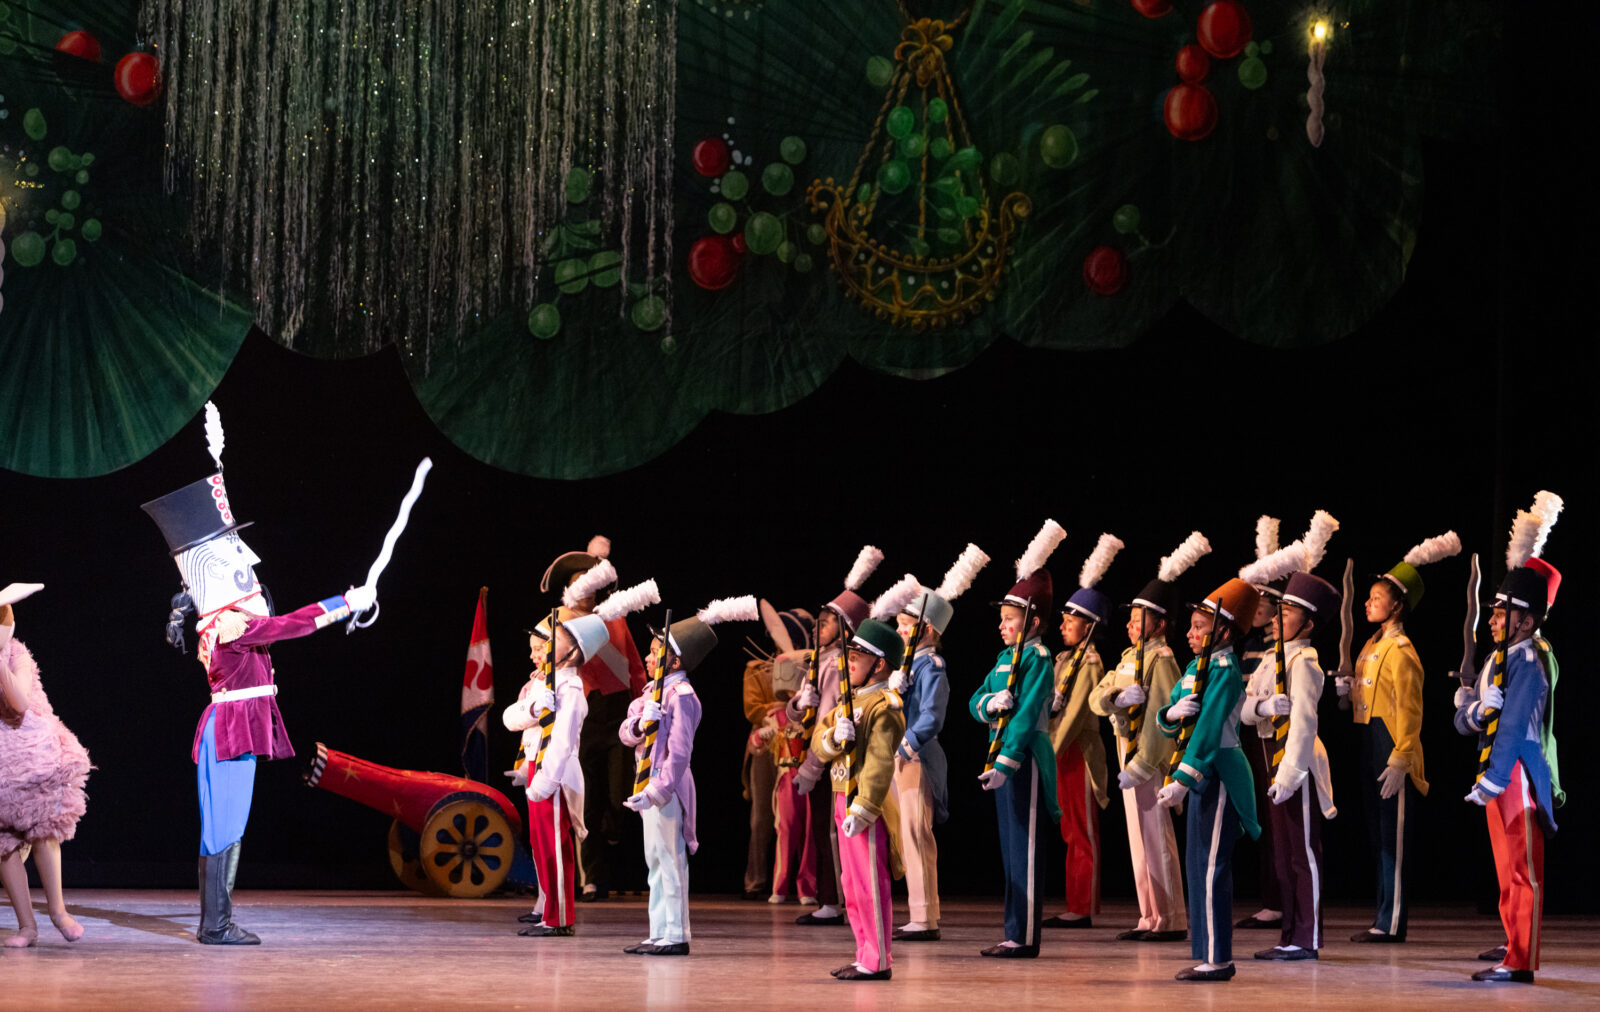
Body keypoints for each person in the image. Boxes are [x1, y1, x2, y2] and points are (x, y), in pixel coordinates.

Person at [141, 416, 377, 945]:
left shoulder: (223, 623)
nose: (249, 565)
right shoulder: (231, 623)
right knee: (225, 826)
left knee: (219, 827)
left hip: (224, 726)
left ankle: (215, 921)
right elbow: (290, 625)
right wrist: (346, 604)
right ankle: (217, 925)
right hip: (233, 729)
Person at [1455, 498, 1563, 985]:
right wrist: (1474, 708)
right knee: (1506, 869)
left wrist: (1495, 778)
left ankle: (1521, 960)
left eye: (1503, 612)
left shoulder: (1530, 659)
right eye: (1494, 611)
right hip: (1493, 769)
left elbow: (1518, 726)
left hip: (1515, 772)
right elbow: (1464, 721)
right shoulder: (1499, 660)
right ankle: (1513, 943)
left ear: (1527, 618)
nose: (1493, 619)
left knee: (1523, 871)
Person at [1090, 531, 1211, 943]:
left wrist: (1142, 765)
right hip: (1126, 751)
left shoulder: (1162, 661)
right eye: (1130, 618)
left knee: (1157, 839)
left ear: (1159, 623)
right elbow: (1094, 698)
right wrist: (1115, 696)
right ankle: (1149, 915)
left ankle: (1171, 916)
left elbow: (1165, 723)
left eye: (1139, 618)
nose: (1130, 624)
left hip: (1148, 759)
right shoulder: (1127, 659)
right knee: (1137, 841)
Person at [1344, 532, 1458, 943]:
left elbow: (1411, 712)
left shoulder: (1403, 650)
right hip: (1367, 744)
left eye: (1377, 597)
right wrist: (1347, 691)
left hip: (1390, 748)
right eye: (1370, 596)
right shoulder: (1369, 647)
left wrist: (1401, 758)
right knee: (1377, 837)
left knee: (1393, 839)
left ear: (1397, 605)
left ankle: (1391, 923)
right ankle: (1381, 916)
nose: (1369, 602)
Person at [1157, 577, 1263, 982]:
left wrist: (1183, 777)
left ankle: (1219, 957)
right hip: (1199, 770)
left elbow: (1209, 727)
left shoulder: (1225, 669)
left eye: (1200, 626)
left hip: (1217, 771)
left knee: (1214, 865)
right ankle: (1206, 950)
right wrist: (1168, 715)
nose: (1190, 632)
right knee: (1197, 863)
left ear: (1223, 630)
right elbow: (1175, 714)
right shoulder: (1194, 668)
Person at [968, 520, 1065, 958]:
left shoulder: (1039, 658)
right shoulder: (1005, 659)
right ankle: (1013, 930)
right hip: (1002, 757)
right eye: (1003, 619)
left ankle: (1023, 936)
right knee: (1010, 848)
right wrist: (990, 703)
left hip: (1022, 759)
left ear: (1033, 620)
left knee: (1025, 848)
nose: (1002, 626)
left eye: (1010, 619)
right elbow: (975, 701)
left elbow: (1026, 718)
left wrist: (1006, 762)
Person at [889, 544, 987, 942]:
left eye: (905, 625)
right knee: (906, 834)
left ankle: (925, 917)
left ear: (926, 629)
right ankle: (920, 912)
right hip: (900, 755)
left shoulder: (932, 666)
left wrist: (904, 745)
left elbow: (931, 717)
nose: (899, 631)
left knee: (917, 833)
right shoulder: (908, 666)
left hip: (917, 757)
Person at [1240, 571, 1340, 961]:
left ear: (1309, 623)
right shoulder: (1270, 658)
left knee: (1303, 854)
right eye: (1279, 610)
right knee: (1282, 855)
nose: (1279, 618)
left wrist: (1289, 773)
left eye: (1290, 612)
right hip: (1268, 759)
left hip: (1292, 765)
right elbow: (1244, 709)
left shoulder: (1305, 662)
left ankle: (1307, 936)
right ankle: (1290, 935)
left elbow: (1304, 723)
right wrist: (1261, 707)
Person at [542, 537, 647, 903]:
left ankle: (614, 832)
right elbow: (543, 664)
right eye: (577, 583)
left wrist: (643, 707)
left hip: (618, 713)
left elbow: (634, 666)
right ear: (569, 589)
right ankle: (591, 879)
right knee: (586, 798)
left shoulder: (613, 617)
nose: (585, 590)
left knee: (619, 795)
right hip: (582, 715)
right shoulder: (557, 622)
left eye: (590, 581)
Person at [788, 546, 884, 926]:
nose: (818, 627)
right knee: (823, 829)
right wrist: (799, 702)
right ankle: (832, 898)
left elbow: (830, 717)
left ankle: (835, 900)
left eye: (826, 622)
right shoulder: (818, 660)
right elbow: (800, 713)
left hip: (833, 755)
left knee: (832, 830)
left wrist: (814, 764)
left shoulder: (844, 664)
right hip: (818, 748)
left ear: (845, 628)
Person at [503, 609, 609, 937]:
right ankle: (548, 909)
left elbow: (562, 741)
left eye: (549, 644)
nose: (539, 651)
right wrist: (535, 708)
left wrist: (547, 779)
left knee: (555, 846)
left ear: (572, 652)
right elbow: (510, 719)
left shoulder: (572, 689)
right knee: (541, 843)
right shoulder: (543, 684)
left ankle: (559, 918)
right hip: (538, 764)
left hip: (556, 771)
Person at [810, 619, 906, 981]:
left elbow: (880, 763)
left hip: (862, 804)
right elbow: (819, 744)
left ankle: (878, 958)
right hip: (839, 796)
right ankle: (864, 951)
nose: (847, 660)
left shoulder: (885, 706)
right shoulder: (850, 700)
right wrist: (835, 736)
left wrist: (865, 808)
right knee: (851, 884)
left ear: (879, 664)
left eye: (857, 654)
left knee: (869, 883)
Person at [0, 585, 91, 947]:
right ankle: (27, 927)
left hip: (30, 753)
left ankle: (58, 911)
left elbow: (19, 704)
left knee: (44, 831)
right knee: (4, 845)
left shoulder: (17, 656)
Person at [1044, 534, 1122, 929]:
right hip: (1061, 750)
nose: (1062, 625)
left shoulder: (1089, 662)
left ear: (1089, 626)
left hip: (1076, 752)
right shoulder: (1065, 658)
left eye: (1070, 620)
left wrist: (1049, 750)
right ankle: (1075, 901)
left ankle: (1082, 906)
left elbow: (1075, 715)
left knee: (1081, 830)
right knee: (1069, 828)